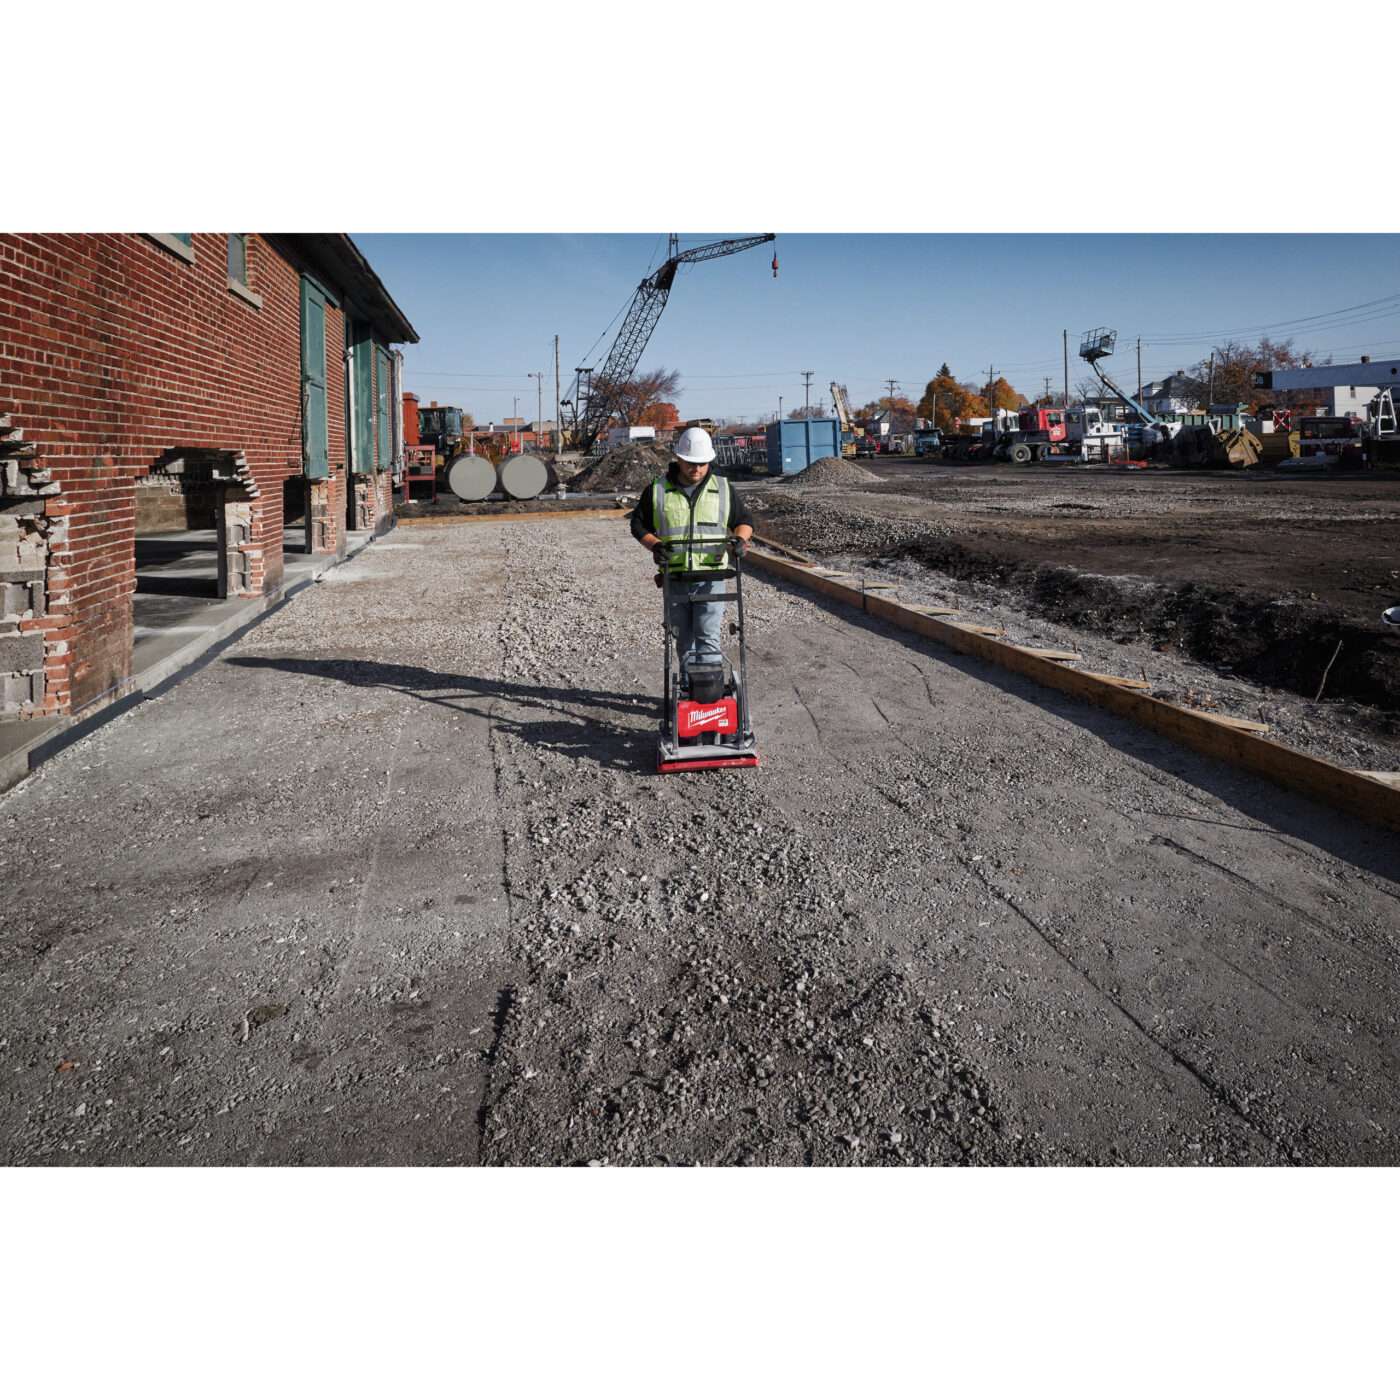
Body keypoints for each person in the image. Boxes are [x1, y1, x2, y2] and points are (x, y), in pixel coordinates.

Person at [630, 427, 754, 688]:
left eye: (702, 463)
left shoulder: (723, 488)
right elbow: (638, 524)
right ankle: (688, 689)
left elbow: (744, 520)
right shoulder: (657, 490)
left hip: (711, 577)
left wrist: (740, 541)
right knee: (683, 639)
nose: (697, 469)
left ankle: (709, 691)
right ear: (678, 458)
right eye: (691, 463)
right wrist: (655, 546)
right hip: (675, 577)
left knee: (708, 635)